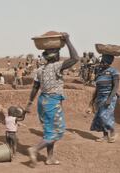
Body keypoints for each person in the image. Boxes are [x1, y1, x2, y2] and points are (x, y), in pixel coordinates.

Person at [25, 32, 79, 167]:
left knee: (49, 130)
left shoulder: (40, 70)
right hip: (52, 102)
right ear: (56, 56)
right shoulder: (57, 66)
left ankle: (50, 158)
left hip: (42, 102)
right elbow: (75, 58)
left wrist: (29, 103)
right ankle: (35, 149)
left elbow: (35, 88)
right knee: (58, 131)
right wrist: (67, 41)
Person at [90, 54, 119, 143]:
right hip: (100, 97)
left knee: (104, 116)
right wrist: (93, 99)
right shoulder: (99, 72)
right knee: (99, 117)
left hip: (109, 96)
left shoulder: (113, 71)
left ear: (109, 63)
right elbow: (97, 88)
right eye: (102, 61)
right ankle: (105, 136)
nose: (103, 63)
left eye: (105, 62)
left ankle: (113, 132)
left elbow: (116, 87)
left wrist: (109, 99)